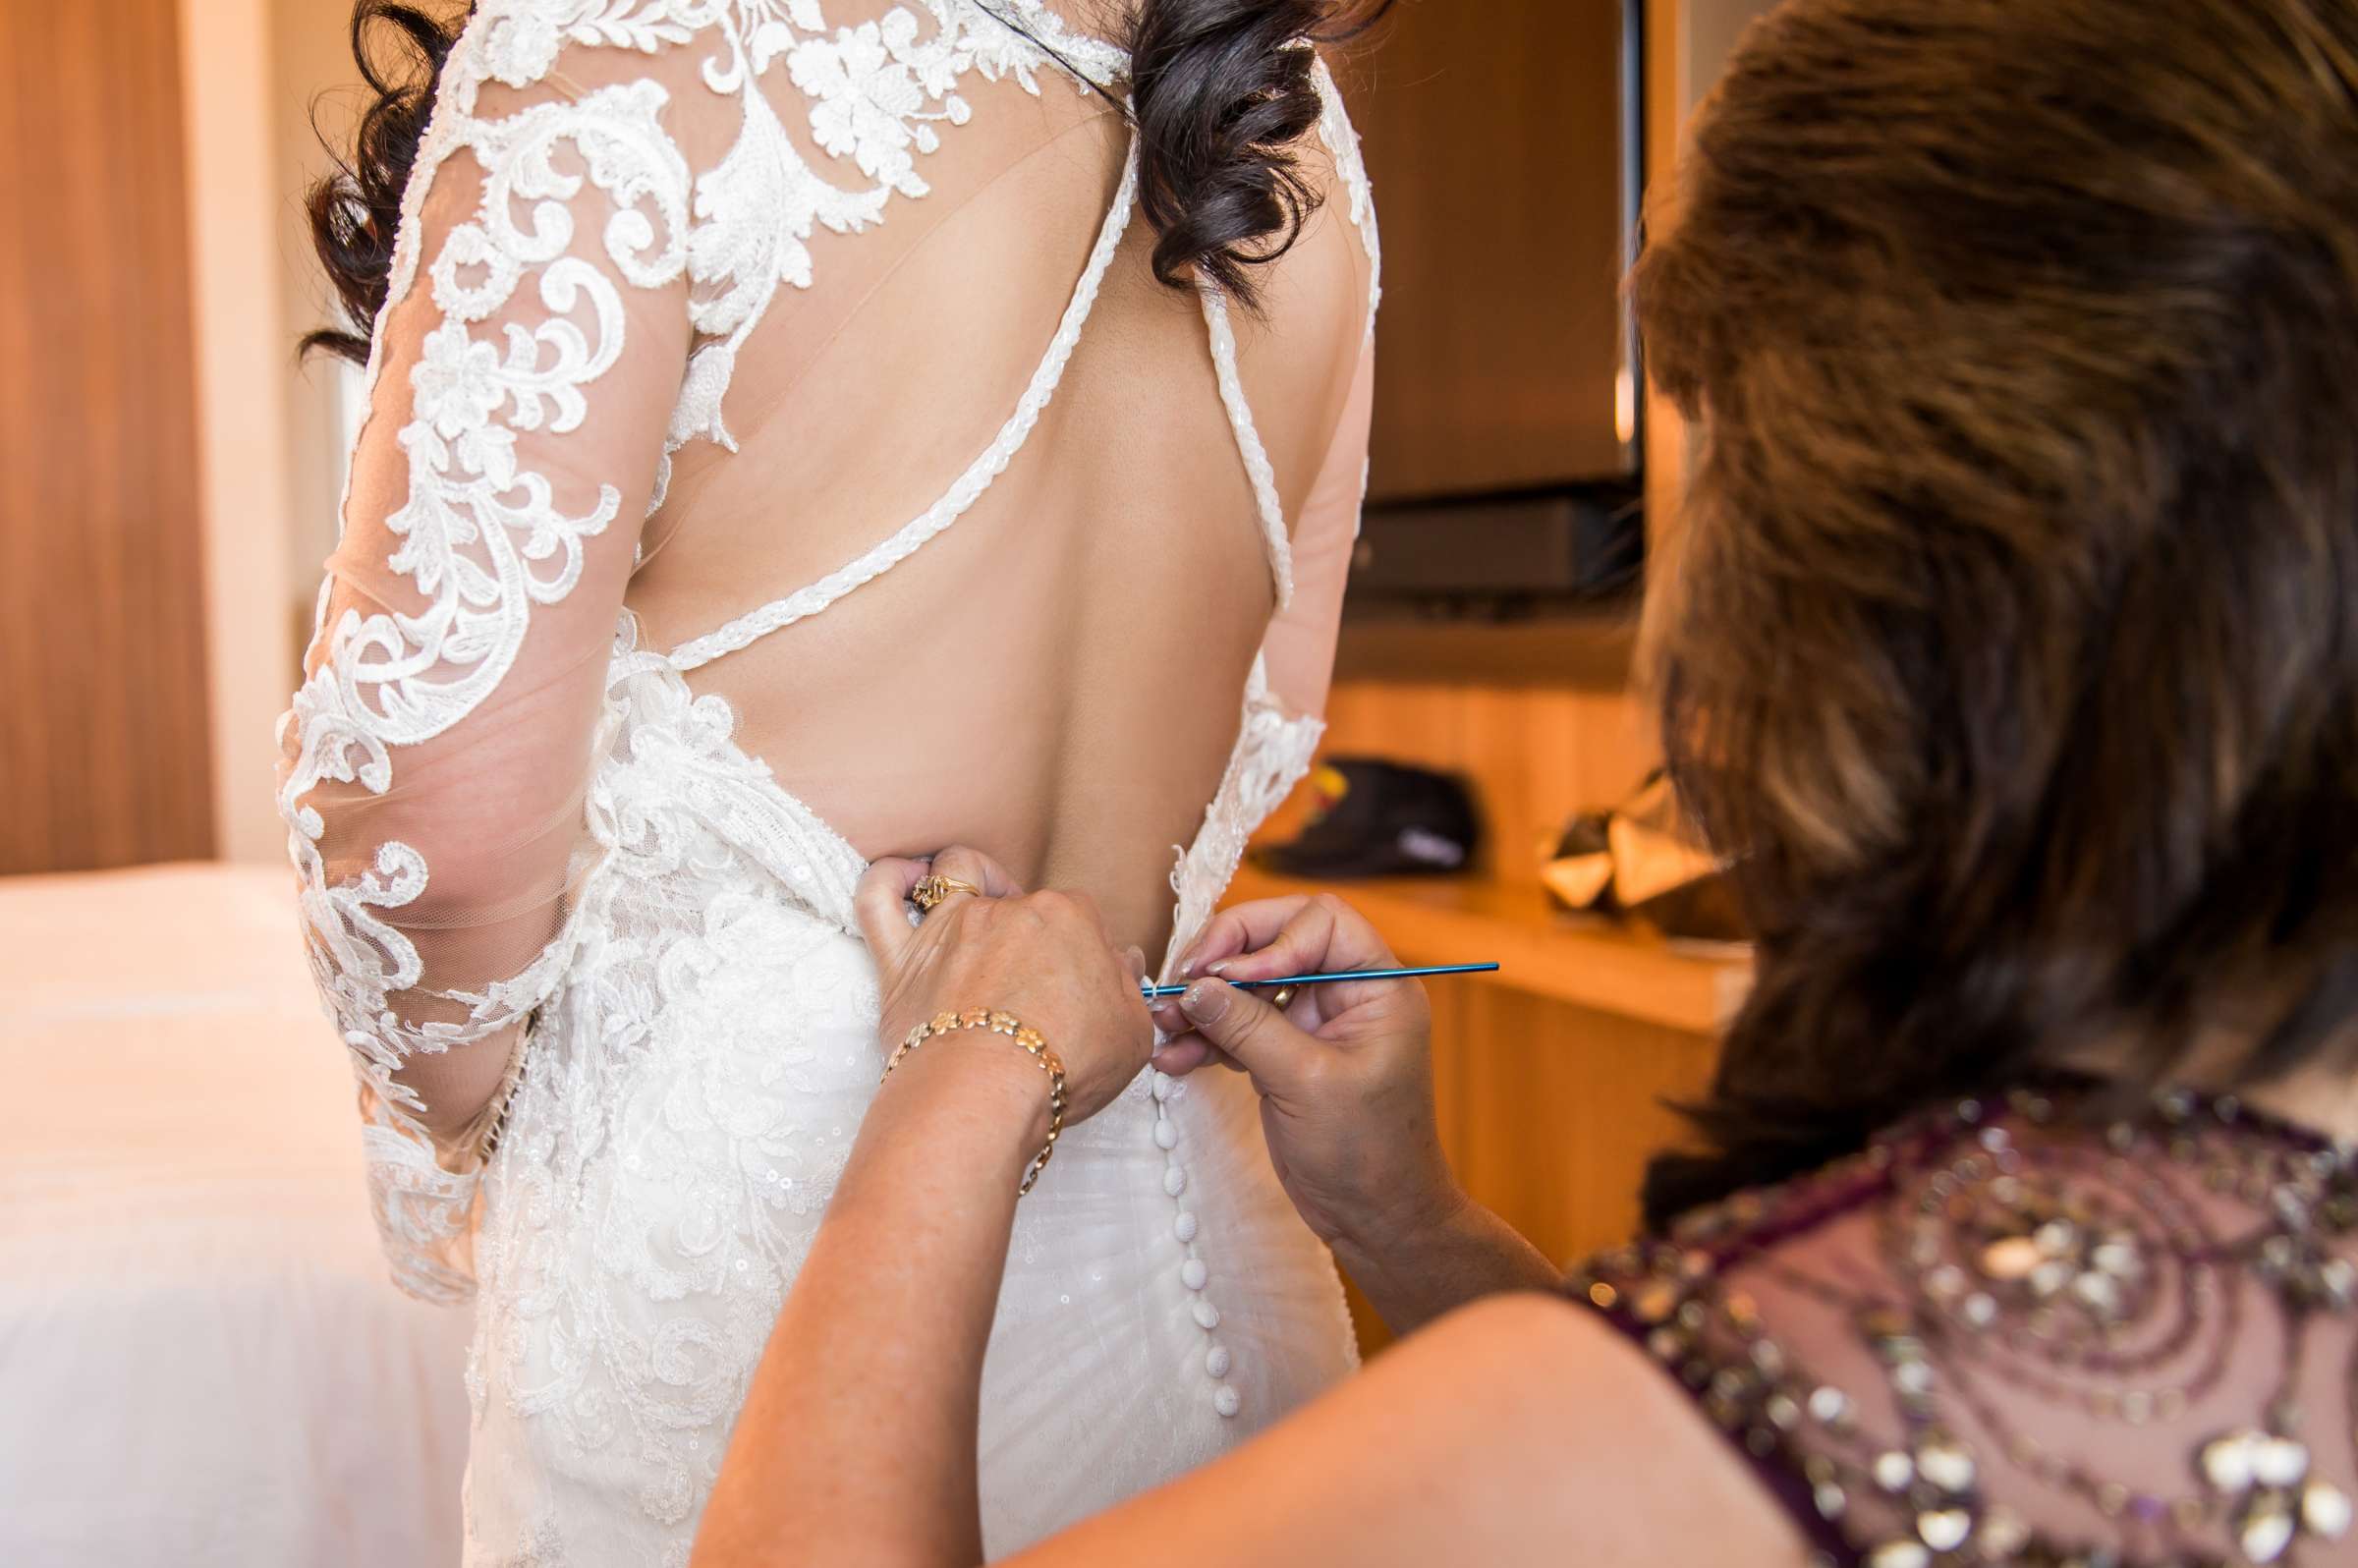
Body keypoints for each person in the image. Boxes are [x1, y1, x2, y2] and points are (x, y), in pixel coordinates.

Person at [689, 0, 2358, 1562]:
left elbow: (1664, 1455)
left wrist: (967, 1075)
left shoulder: (1873, 1376)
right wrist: (1411, 1222)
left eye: (1714, 463)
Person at [276, 0, 1383, 1559]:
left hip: (762, 1316)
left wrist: (483, 1143)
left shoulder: (631, 46)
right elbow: (1277, 708)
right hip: (1210, 1282)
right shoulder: (1293, 125)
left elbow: (429, 846)